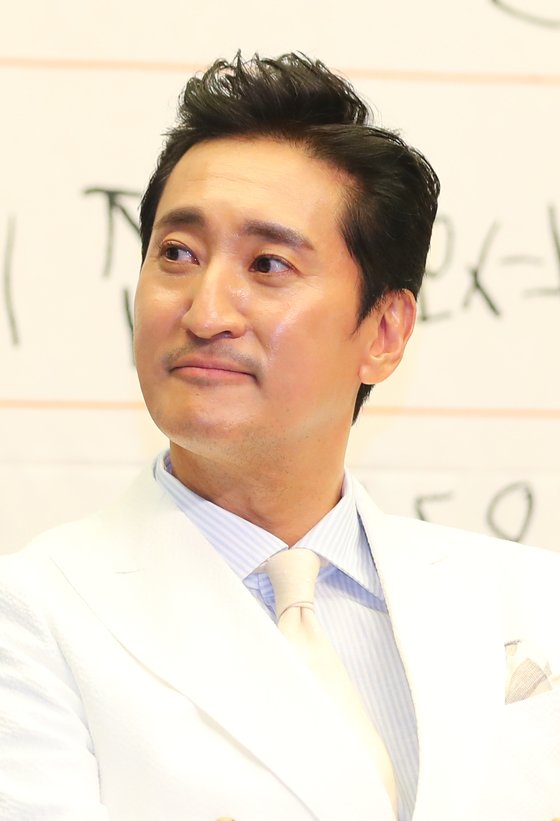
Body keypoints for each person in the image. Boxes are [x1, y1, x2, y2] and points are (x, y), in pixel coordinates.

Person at [0, 53, 559, 821]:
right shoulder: (33, 614)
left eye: (268, 264)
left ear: (384, 332)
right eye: (177, 254)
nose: (206, 312)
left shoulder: (535, 600)